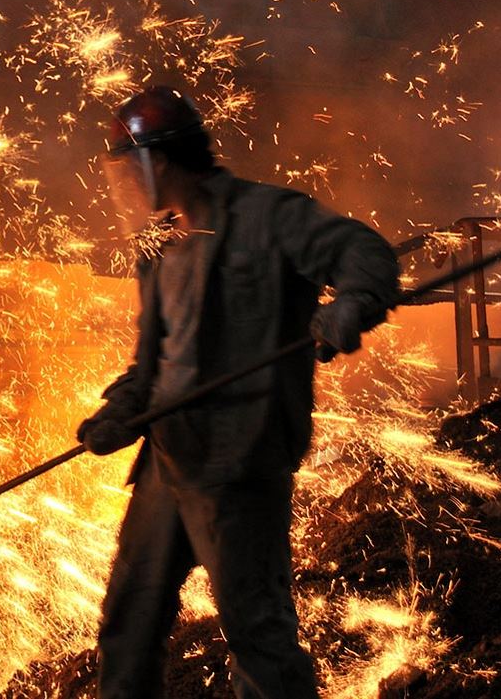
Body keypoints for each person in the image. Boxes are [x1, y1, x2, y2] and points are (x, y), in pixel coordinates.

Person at [79, 86, 400, 698]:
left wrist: (352, 305)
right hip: (169, 461)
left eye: (130, 167)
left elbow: (364, 251)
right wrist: (122, 410)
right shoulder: (157, 245)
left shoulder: (267, 216)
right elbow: (151, 361)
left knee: (257, 633)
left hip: (238, 465)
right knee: (129, 620)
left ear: (163, 161)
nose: (126, 183)